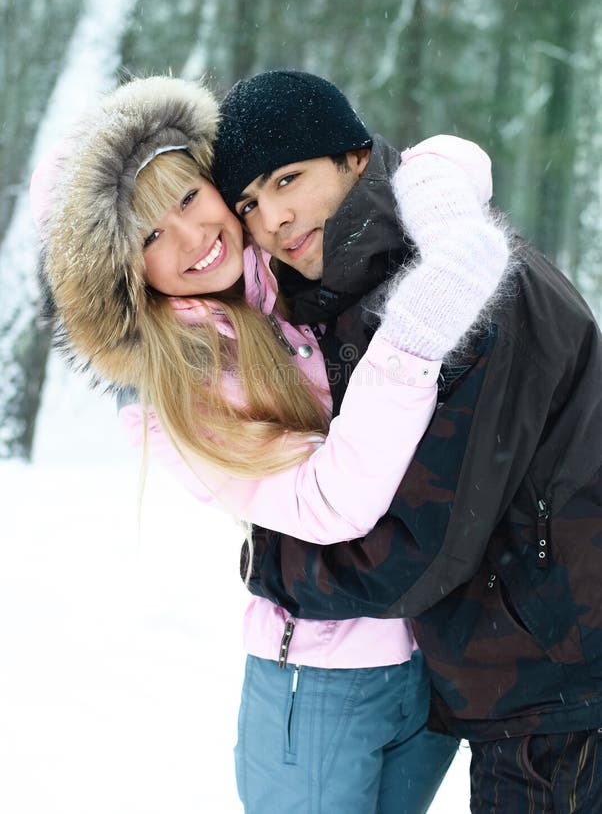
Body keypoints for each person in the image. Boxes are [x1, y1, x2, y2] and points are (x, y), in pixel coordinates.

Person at [32, 75, 510, 813]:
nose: (192, 238)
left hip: (430, 658)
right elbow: (330, 503)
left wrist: (446, 226)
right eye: (150, 235)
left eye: (190, 197)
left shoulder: (287, 257)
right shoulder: (182, 394)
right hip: (320, 689)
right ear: (125, 275)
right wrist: (416, 333)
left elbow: (443, 156)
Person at [211, 69, 602, 813]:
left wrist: (273, 564)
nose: (274, 221)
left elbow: (418, 547)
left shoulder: (459, 299)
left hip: (563, 688)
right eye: (249, 204)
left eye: (289, 179)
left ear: (356, 158)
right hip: (534, 675)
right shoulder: (388, 281)